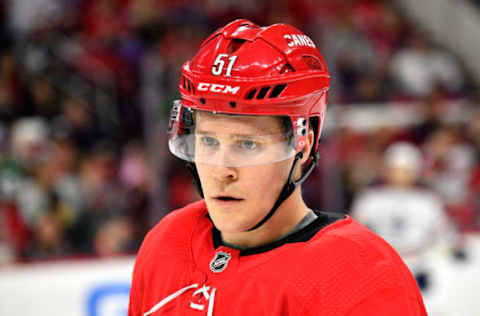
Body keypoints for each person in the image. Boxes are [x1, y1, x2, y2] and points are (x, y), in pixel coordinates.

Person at [128, 19, 427, 316]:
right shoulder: (167, 243)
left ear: (304, 144)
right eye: (208, 141)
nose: (221, 170)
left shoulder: (361, 275)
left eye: (247, 145)